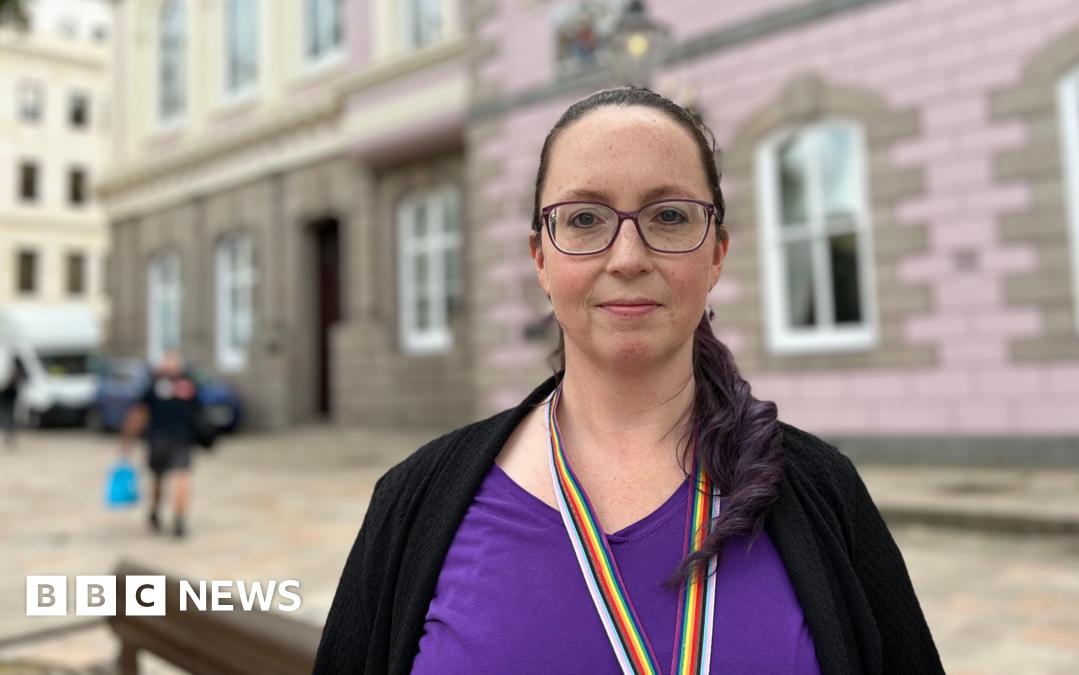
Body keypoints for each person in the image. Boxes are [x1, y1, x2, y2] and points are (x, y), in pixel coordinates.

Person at [314, 87, 943, 674]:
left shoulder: (823, 492)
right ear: (541, 258)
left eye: (669, 215)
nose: (628, 257)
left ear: (716, 253)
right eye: (585, 219)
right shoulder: (414, 502)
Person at [120, 351, 203, 538]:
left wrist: (127, 439)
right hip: (181, 439)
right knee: (180, 476)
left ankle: (157, 512)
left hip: (159, 439)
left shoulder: (153, 386)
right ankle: (178, 519)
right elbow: (200, 413)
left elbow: (138, 414)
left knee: (160, 478)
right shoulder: (189, 387)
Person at [0, 354, 26, 448]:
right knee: (9, 415)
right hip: (10, 395)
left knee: (8, 416)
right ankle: (9, 434)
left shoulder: (17, 371)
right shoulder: (19, 370)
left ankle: (9, 434)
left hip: (9, 395)